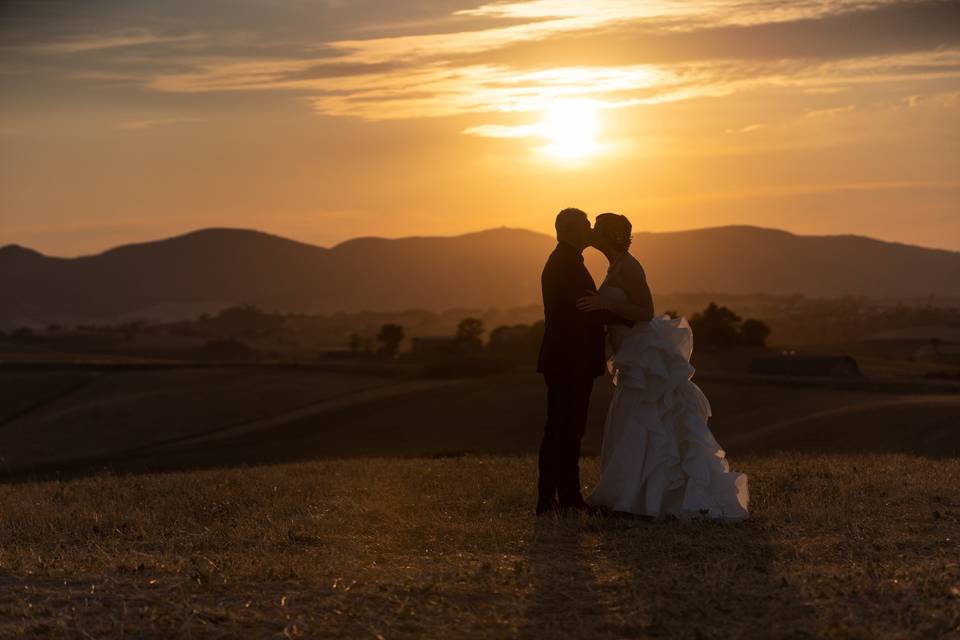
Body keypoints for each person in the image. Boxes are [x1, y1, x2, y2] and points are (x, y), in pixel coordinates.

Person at [577, 213, 750, 520]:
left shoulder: (629, 266)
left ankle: (645, 500)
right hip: (630, 351)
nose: (591, 233)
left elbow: (645, 310)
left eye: (596, 229)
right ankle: (632, 496)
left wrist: (606, 305)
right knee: (631, 420)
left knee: (643, 419)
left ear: (606, 235)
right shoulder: (615, 265)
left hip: (643, 353)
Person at [535, 208, 631, 515]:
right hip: (569, 358)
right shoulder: (564, 263)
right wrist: (631, 318)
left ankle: (561, 497)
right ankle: (557, 499)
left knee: (565, 429)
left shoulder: (567, 260)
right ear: (571, 230)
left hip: (568, 357)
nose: (590, 231)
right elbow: (585, 309)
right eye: (586, 226)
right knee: (564, 429)